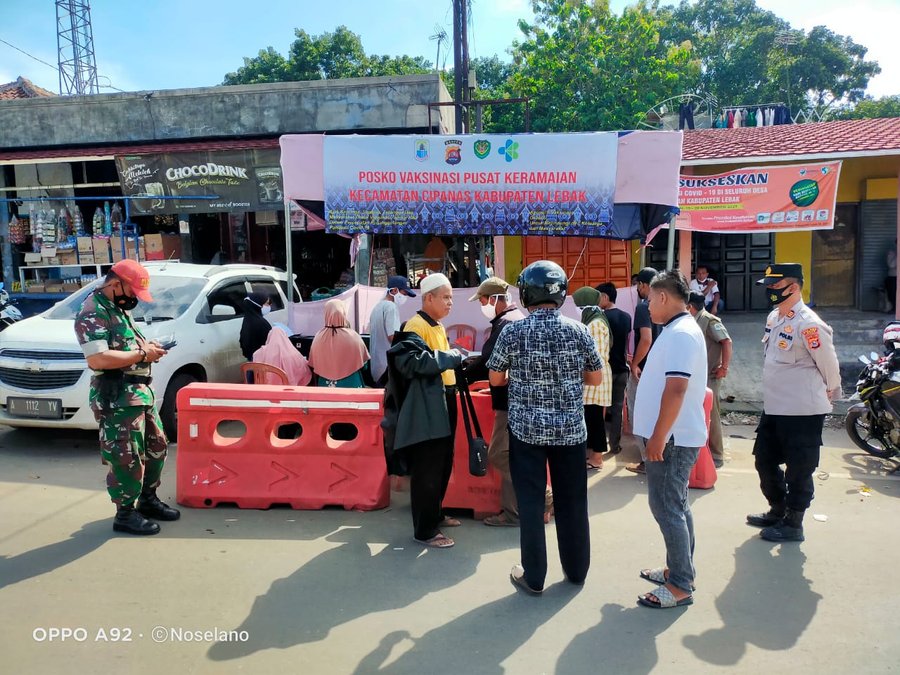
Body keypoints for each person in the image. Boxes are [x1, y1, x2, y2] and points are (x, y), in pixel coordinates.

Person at [488, 261, 603, 594]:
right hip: (570, 432)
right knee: (573, 503)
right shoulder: (578, 329)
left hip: (526, 432)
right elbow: (595, 377)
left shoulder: (513, 331)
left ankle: (534, 577)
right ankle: (577, 571)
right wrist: (565, 375)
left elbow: (496, 377)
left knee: (531, 502)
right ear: (561, 293)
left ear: (525, 293)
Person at [74, 259, 178, 536]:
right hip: (117, 396)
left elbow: (125, 345)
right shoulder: (93, 312)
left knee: (157, 447)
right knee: (126, 456)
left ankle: (147, 499)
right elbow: (98, 357)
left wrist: (148, 347)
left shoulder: (118, 309)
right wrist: (143, 355)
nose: (134, 298)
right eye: (132, 291)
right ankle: (126, 513)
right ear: (114, 283)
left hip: (139, 392)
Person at [747, 263, 841, 542]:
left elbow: (828, 363)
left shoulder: (809, 324)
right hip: (775, 407)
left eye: (775, 286)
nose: (770, 291)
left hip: (802, 410)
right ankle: (778, 509)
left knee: (799, 468)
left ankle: (794, 523)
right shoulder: (775, 318)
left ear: (794, 287)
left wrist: (832, 391)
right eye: (769, 286)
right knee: (764, 460)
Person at [633, 270, 707, 609]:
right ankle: (678, 569)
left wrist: (658, 437)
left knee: (666, 507)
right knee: (675, 505)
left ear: (663, 297)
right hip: (672, 435)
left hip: (672, 438)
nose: (647, 306)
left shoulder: (680, 334)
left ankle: (680, 584)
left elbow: (676, 389)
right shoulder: (678, 330)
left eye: (650, 300)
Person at [382, 273, 463, 548]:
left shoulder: (436, 325)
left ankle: (435, 514)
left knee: (442, 463)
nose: (450, 302)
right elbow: (413, 363)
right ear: (428, 298)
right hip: (428, 407)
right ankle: (425, 531)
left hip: (444, 399)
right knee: (428, 467)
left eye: (451, 297)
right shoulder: (414, 326)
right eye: (445, 297)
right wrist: (453, 356)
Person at [463, 276, 536, 527]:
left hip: (509, 401)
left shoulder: (506, 323)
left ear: (495, 300)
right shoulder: (514, 319)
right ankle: (512, 511)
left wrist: (463, 373)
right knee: (509, 454)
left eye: (482, 300)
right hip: (516, 398)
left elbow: (490, 362)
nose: (481, 305)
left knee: (498, 454)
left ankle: (544, 497)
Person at [687, 291, 733, 468]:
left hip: (710, 376)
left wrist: (724, 367)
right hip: (699, 374)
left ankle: (716, 454)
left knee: (711, 414)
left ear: (690, 306)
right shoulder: (695, 320)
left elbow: (727, 342)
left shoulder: (709, 320)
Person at [626, 267, 661, 475]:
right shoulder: (665, 307)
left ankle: (646, 461)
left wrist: (634, 363)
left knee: (638, 414)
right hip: (658, 369)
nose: (637, 288)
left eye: (638, 284)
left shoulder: (643, 307)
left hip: (644, 370)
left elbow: (646, 339)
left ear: (644, 285)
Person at [573, 286, 611, 470]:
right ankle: (592, 455)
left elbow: (594, 355)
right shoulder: (595, 319)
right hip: (594, 375)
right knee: (591, 416)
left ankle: (597, 458)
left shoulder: (594, 324)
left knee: (594, 417)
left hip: (595, 376)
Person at [596, 282, 631, 456]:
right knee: (617, 409)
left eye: (598, 297)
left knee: (599, 408)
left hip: (605, 371)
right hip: (622, 369)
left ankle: (597, 448)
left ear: (605, 297)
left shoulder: (600, 319)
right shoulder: (626, 317)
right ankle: (615, 446)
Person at [308, 298, 370, 388]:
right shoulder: (354, 336)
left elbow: (313, 365)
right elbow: (364, 365)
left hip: (325, 388)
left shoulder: (318, 337)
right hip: (352, 387)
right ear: (344, 313)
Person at [368, 276, 417, 386]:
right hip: (387, 368)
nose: (405, 297)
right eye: (404, 294)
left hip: (376, 367)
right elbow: (392, 337)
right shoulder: (391, 307)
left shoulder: (377, 307)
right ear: (394, 290)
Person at [240, 292, 273, 361]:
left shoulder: (247, 320)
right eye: (266, 303)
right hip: (262, 361)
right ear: (258, 305)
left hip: (251, 360)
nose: (269, 306)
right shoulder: (262, 323)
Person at [886, 244, 897, 313]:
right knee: (893, 293)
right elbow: (891, 265)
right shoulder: (891, 253)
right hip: (893, 277)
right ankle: (894, 308)